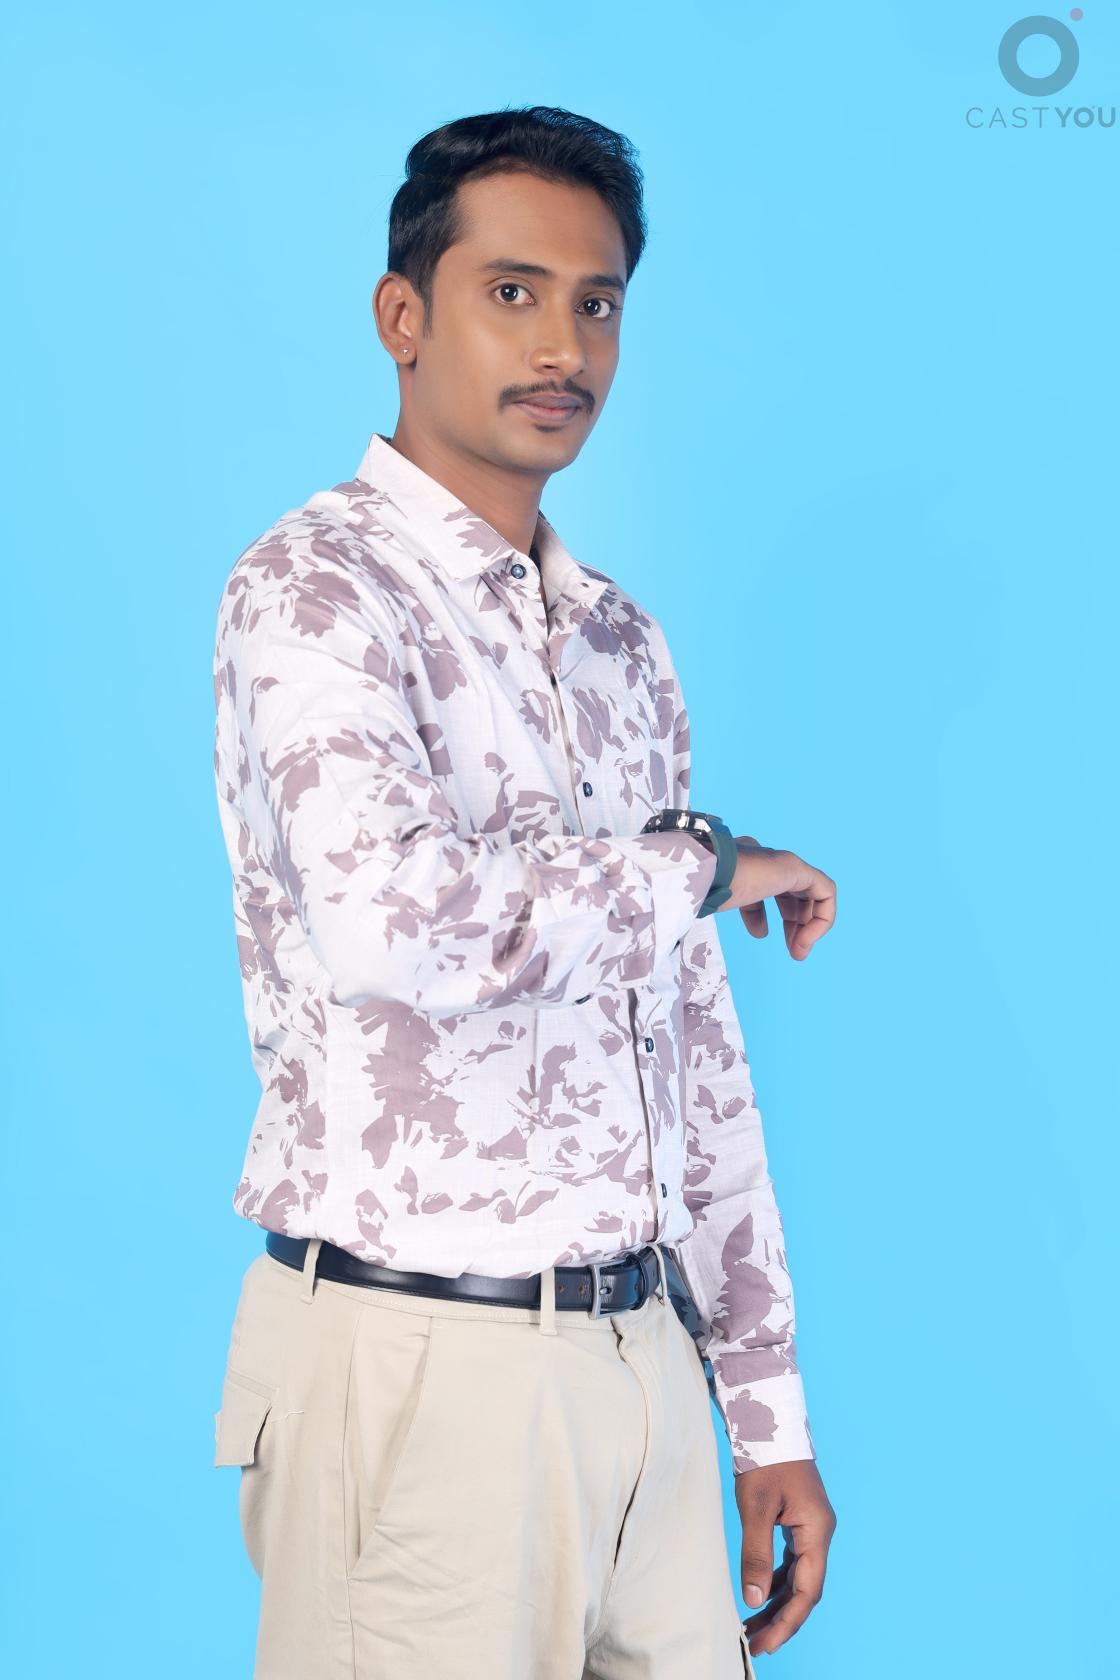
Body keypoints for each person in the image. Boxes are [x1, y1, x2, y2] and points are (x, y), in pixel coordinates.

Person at [210, 104, 838, 1680]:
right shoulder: (315, 587)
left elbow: (688, 1037)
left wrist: (762, 1407)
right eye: (511, 292)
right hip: (421, 1365)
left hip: (646, 1364)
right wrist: (703, 866)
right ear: (402, 316)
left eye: (597, 301)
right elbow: (401, 925)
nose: (563, 345)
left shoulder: (621, 640)